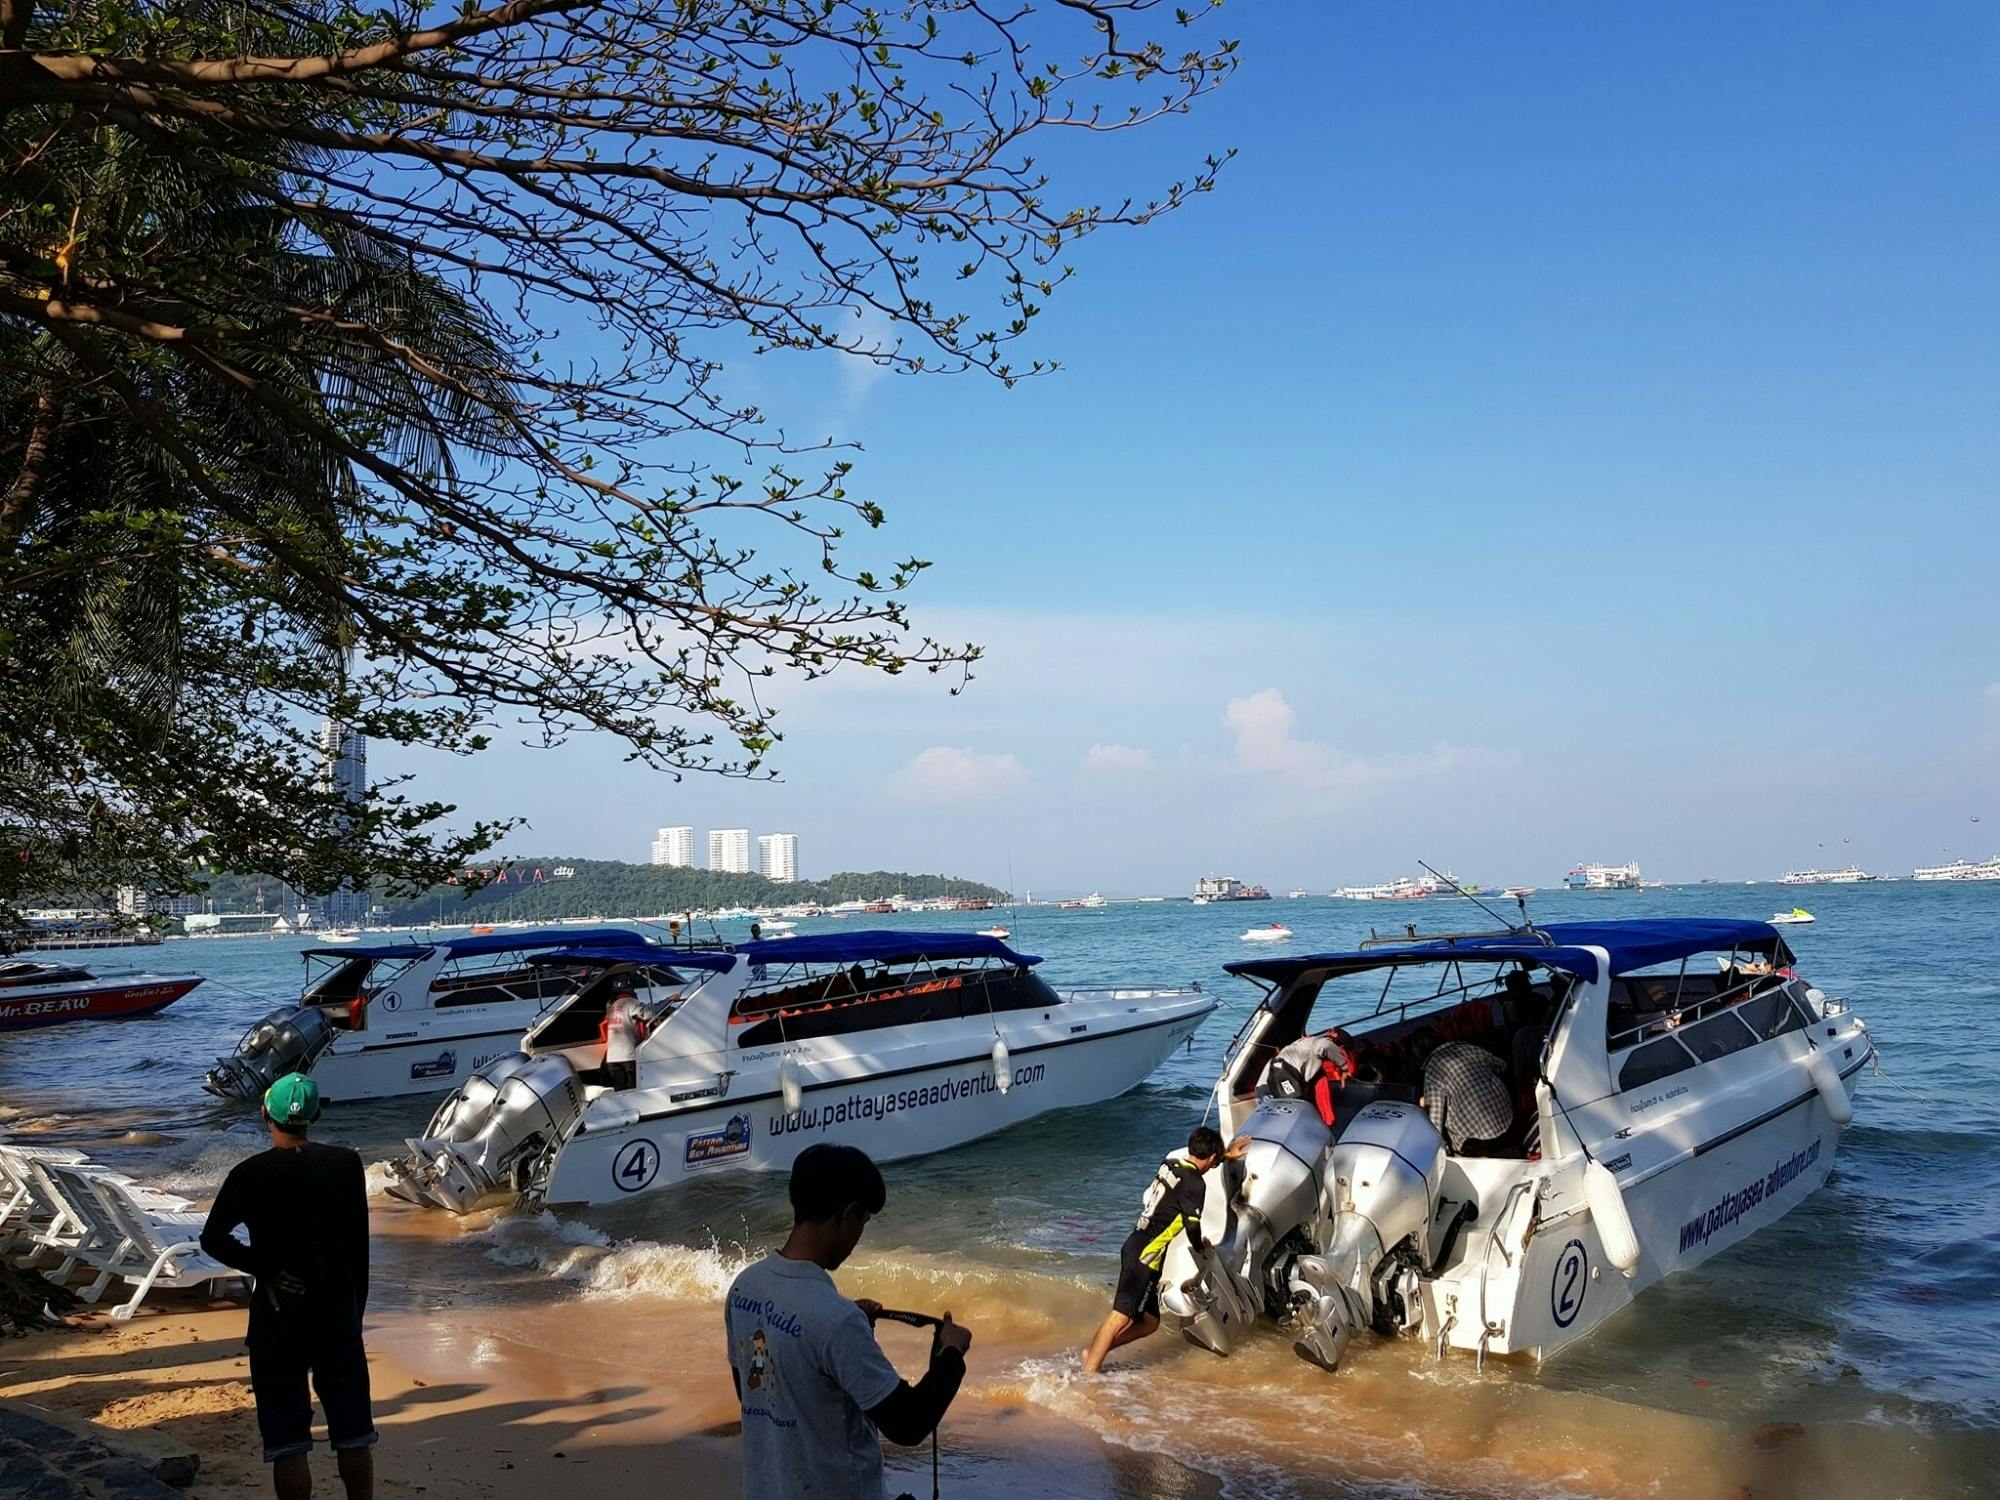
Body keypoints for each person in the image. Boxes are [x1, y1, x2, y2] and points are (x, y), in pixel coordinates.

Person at [724, 1143, 971, 1500]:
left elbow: (754, 1392)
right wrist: (951, 1354)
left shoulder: (745, 1288)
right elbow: (909, 1424)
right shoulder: (835, 1320)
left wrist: (848, 1333)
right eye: (864, 1221)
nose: (859, 1235)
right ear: (848, 1214)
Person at [199, 1073, 374, 1500]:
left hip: (278, 1314)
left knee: (287, 1440)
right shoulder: (346, 1165)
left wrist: (265, 1267)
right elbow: (358, 1247)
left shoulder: (249, 1174)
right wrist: (356, 1312)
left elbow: (213, 1237)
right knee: (353, 1433)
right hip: (337, 1312)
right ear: (315, 1115)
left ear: (265, 1115)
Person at [1082, 1125, 1249, 1373]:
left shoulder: (1170, 1164)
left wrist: (1225, 1154)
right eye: (1215, 1160)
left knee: (1149, 1322)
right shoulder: (1195, 1185)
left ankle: (1095, 1351)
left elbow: (1196, 1168)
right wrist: (1200, 1247)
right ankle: (1090, 1371)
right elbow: (1193, 1227)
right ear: (1212, 1159)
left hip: (1137, 1244)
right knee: (1121, 1316)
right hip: (1146, 1255)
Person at [1420, 1039, 1515, 1155]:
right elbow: (1502, 1065)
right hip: (1505, 1115)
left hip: (1474, 1136)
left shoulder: (1433, 1069)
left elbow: (1435, 1119)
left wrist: (1434, 1149)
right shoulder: (1468, 1048)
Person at [602, 987, 640, 1089]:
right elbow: (648, 1013)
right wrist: (666, 1001)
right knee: (634, 1087)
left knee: (619, 1089)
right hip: (629, 1055)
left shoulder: (610, 1004)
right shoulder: (631, 1002)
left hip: (612, 1057)